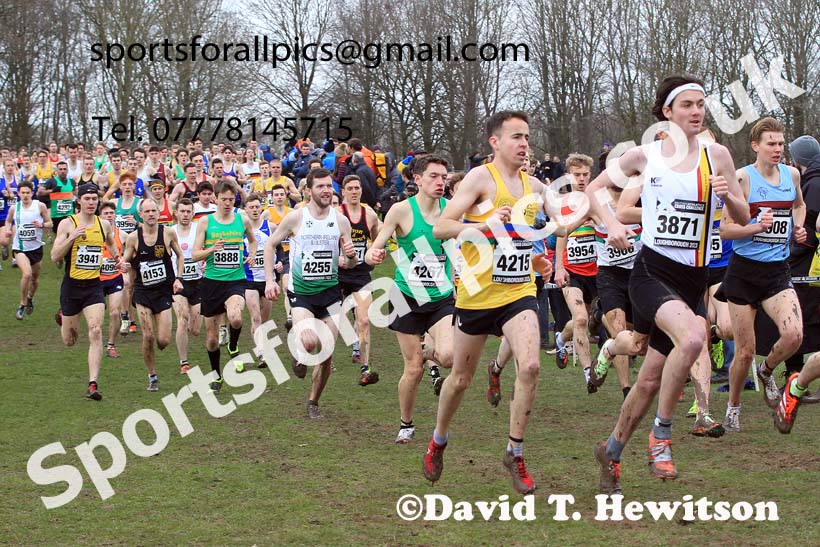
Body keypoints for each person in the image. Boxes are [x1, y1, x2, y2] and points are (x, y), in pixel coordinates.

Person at [584, 75, 748, 494]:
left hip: (695, 278)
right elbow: (594, 188)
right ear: (667, 113)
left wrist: (728, 196)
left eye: (701, 104)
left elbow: (744, 218)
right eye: (687, 105)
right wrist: (612, 224)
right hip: (653, 272)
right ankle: (661, 434)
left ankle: (612, 449)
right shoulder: (645, 155)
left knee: (651, 378)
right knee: (694, 338)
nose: (696, 112)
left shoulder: (719, 155)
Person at [422, 111, 555, 495]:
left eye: (527, 136)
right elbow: (442, 226)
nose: (524, 143)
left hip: (518, 291)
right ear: (495, 142)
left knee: (530, 364)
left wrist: (538, 257)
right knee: (460, 379)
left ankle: (514, 451)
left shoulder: (535, 186)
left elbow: (548, 223)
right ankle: (439, 440)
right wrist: (481, 225)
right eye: (516, 136)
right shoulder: (481, 178)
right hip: (477, 297)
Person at [717, 117, 805, 431]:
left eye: (781, 143)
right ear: (756, 146)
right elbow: (725, 230)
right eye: (771, 143)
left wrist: (799, 225)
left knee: (794, 335)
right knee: (744, 351)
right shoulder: (743, 179)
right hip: (743, 272)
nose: (777, 149)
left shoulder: (791, 174)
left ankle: (766, 370)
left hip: (777, 271)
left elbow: (798, 204)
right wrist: (756, 227)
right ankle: (733, 408)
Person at [367, 155, 456, 443]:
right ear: (417, 180)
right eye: (433, 176)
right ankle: (406, 423)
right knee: (414, 370)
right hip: (406, 297)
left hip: (441, 297)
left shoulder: (451, 210)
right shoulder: (400, 211)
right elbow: (375, 247)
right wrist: (373, 255)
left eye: (444, 176)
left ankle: (426, 349)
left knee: (448, 357)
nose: (440, 181)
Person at [264, 168, 358, 418]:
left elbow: (350, 265)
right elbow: (270, 244)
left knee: (326, 353)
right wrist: (269, 280)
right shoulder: (296, 218)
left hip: (330, 293)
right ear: (308, 190)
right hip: (302, 293)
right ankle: (299, 352)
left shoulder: (340, 221)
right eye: (321, 186)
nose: (327, 190)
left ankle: (313, 401)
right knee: (309, 341)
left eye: (329, 186)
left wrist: (351, 256)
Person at [51, 184, 123, 400]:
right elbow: (55, 256)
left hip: (94, 287)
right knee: (70, 341)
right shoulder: (68, 223)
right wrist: (72, 237)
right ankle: (64, 315)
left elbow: (111, 245)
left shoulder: (104, 225)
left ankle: (93, 384)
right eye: (88, 199)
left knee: (95, 330)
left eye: (94, 199)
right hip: (72, 287)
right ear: (79, 201)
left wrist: (119, 261)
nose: (92, 202)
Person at [191, 181, 257, 392]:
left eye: (231, 199)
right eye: (224, 199)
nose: (228, 203)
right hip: (212, 283)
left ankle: (233, 345)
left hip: (235, 281)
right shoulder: (205, 222)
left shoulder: (242, 219)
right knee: (211, 340)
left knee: (236, 317)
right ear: (215, 199)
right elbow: (194, 255)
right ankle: (217, 376)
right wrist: (211, 250)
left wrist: (253, 255)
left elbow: (253, 241)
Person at [121, 198, 184, 391]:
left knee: (163, 340)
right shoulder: (133, 237)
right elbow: (125, 260)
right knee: (147, 336)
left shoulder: (168, 233)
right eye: (146, 211)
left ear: (159, 213)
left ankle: (155, 361)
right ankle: (152, 376)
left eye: (153, 211)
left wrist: (178, 278)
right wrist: (123, 267)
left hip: (163, 291)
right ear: (140, 214)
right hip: (143, 292)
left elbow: (180, 255)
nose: (150, 214)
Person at [338, 175, 381, 384]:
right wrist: (336, 257)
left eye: (357, 188)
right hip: (337, 272)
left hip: (360, 273)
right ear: (343, 191)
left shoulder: (370, 214)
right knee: (333, 317)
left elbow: (379, 236)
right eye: (350, 188)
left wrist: (373, 252)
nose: (354, 192)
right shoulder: (337, 214)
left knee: (364, 319)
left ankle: (365, 367)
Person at [243, 193, 283, 370]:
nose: (254, 210)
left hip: (267, 280)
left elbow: (280, 247)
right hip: (249, 280)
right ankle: (261, 353)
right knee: (255, 317)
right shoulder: (241, 230)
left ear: (261, 208)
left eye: (257, 207)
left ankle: (261, 346)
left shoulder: (271, 227)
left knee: (265, 321)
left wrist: (281, 261)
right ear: (245, 209)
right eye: (251, 207)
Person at [4, 181, 51, 319]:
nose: (25, 195)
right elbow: (8, 221)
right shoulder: (15, 208)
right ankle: (22, 303)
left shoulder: (39, 206)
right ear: (18, 193)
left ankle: (30, 297)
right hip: (19, 247)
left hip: (36, 248)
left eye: (27, 193)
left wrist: (41, 224)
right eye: (22, 193)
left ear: (32, 193)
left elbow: (50, 223)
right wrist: (7, 230)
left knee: (35, 279)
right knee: (27, 274)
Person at [170, 198, 203, 374]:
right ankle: (184, 362)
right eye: (182, 211)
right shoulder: (170, 232)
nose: (185, 215)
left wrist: (206, 261)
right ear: (176, 213)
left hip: (198, 282)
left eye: (188, 211)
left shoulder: (199, 230)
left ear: (193, 213)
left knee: (195, 330)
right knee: (181, 318)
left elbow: (207, 248)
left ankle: (191, 327)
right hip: (178, 283)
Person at [97, 201, 128, 358]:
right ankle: (96, 342)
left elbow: (130, 253)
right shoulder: (95, 234)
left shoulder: (122, 235)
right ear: (100, 217)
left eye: (111, 213)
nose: (109, 216)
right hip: (97, 279)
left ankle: (111, 344)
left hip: (115, 278)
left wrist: (125, 266)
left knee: (115, 312)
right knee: (98, 316)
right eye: (105, 214)